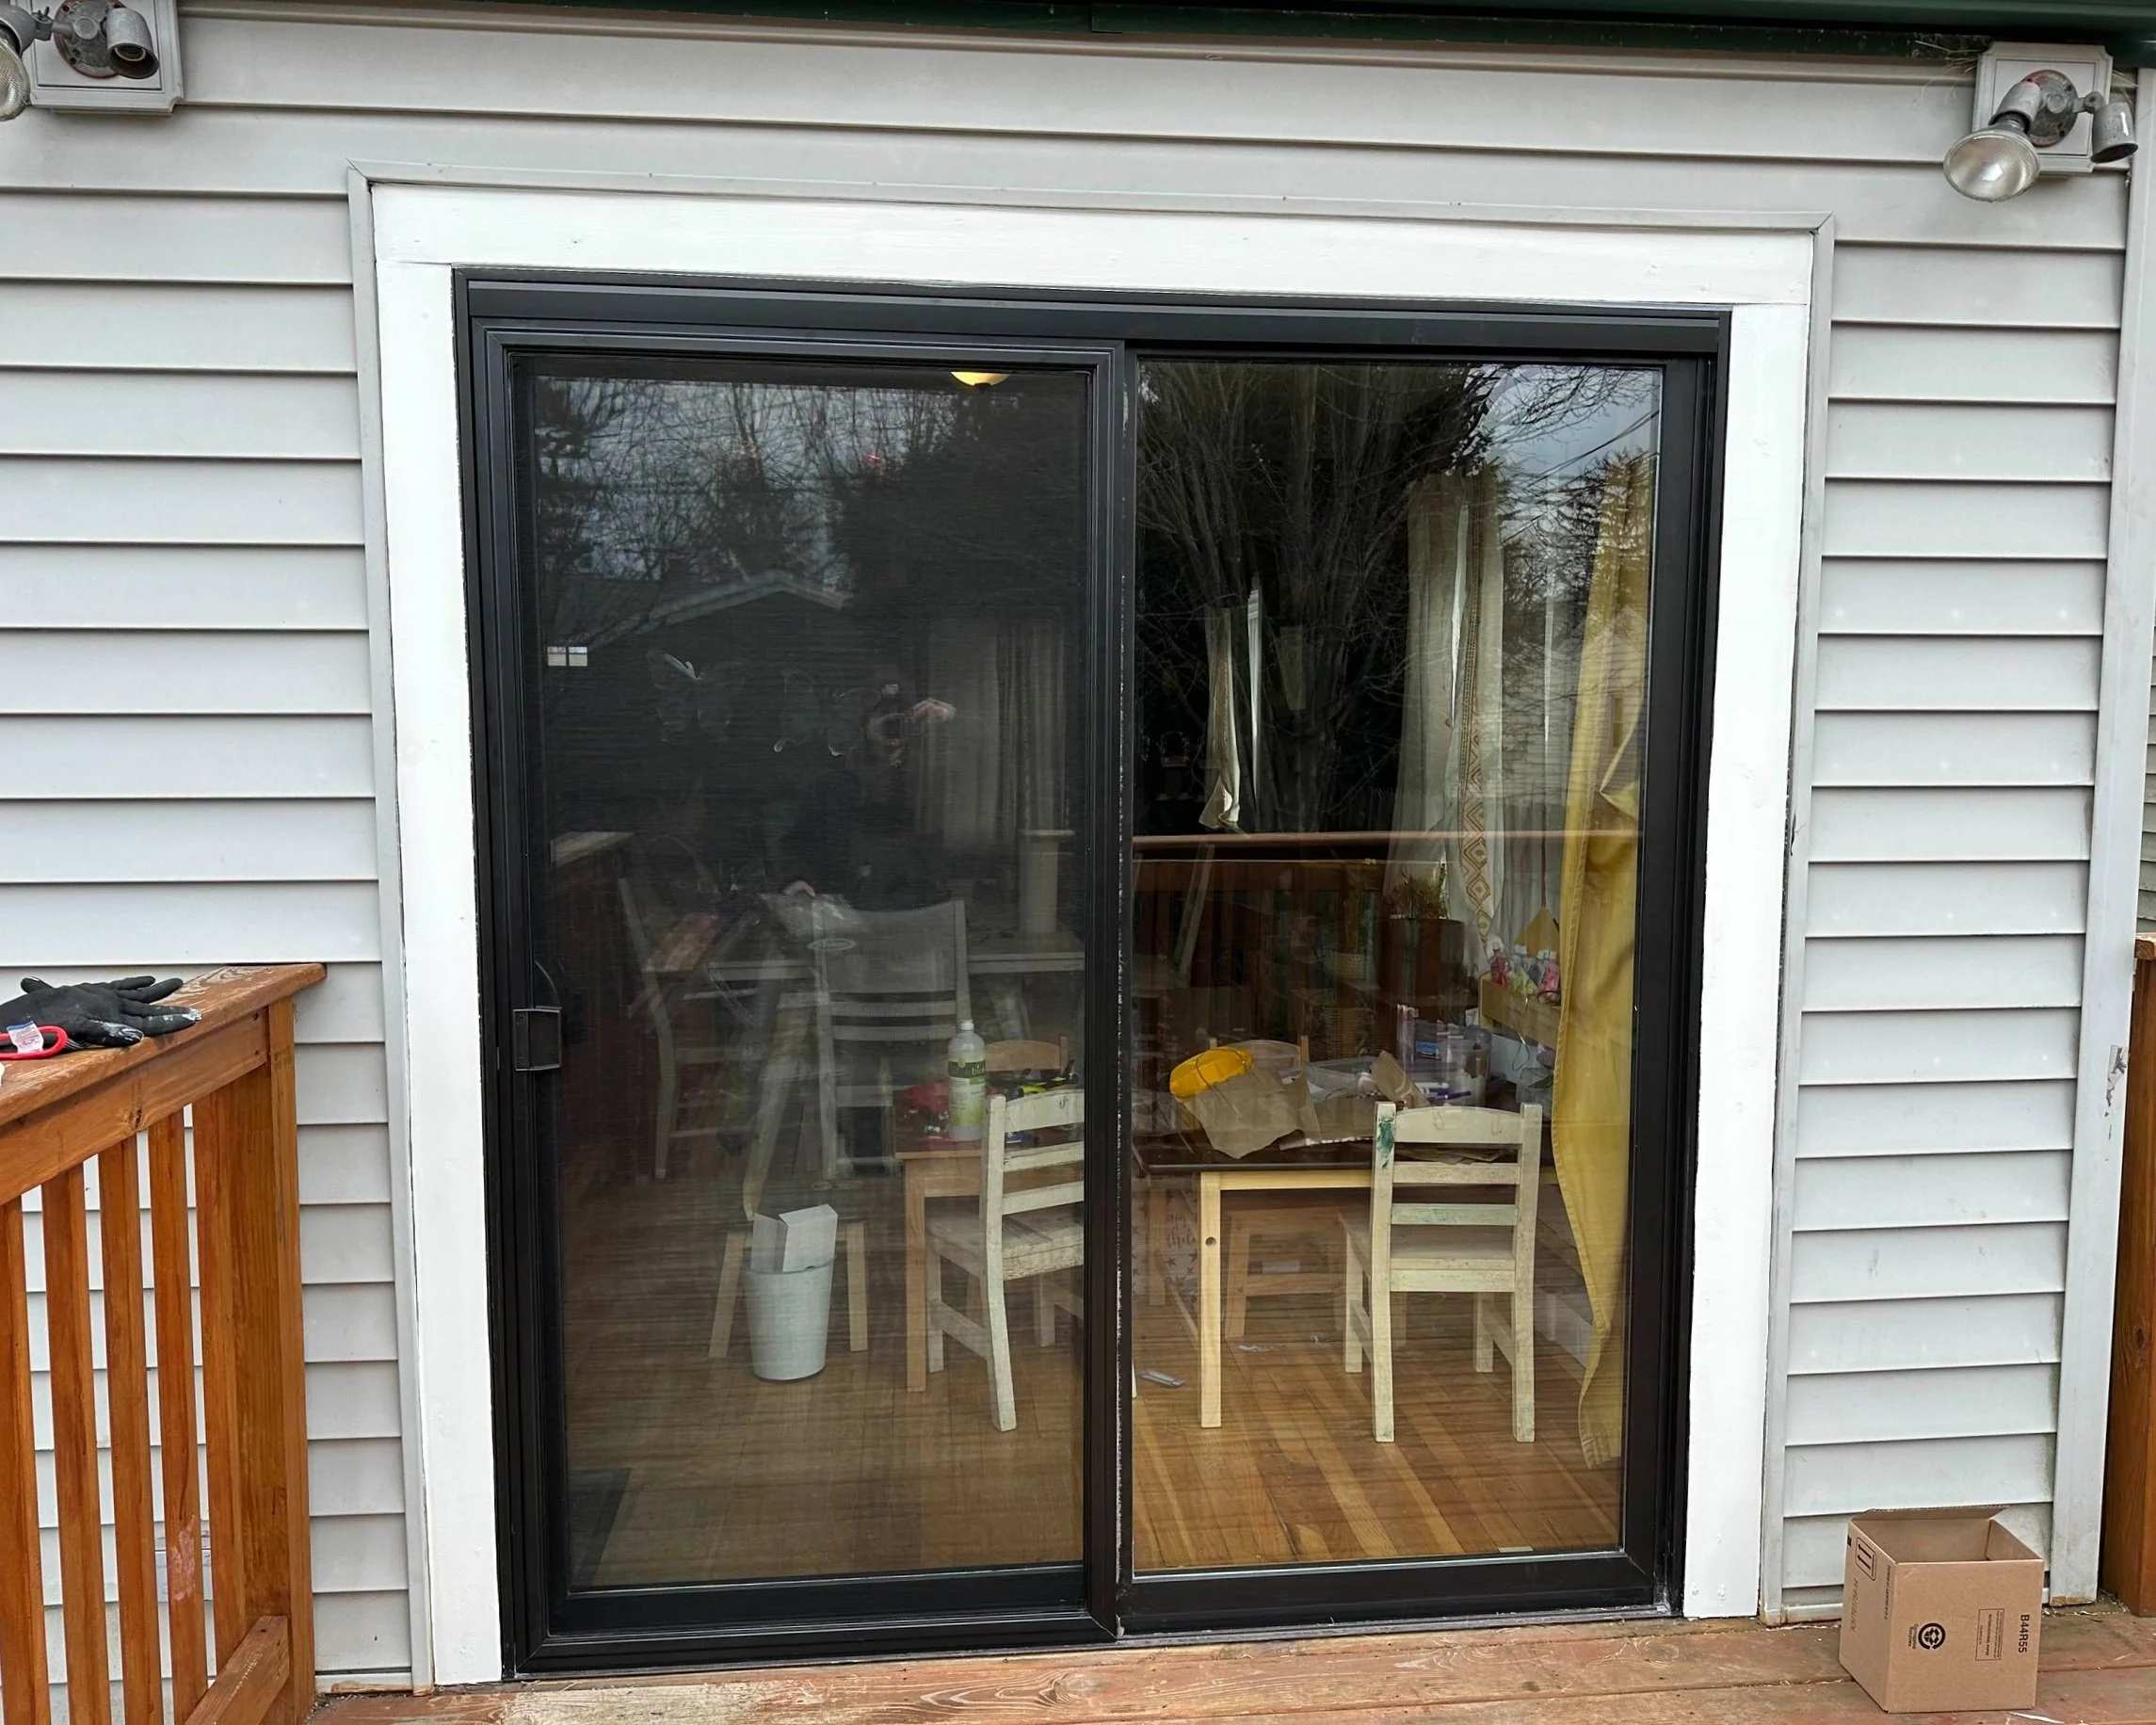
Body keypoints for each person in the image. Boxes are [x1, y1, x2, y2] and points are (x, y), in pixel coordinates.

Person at [780, 678, 956, 910]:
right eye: (883, 714)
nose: (892, 722)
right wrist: (798, 878)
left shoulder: (932, 779)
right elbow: (801, 842)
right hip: (848, 909)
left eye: (902, 715)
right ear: (863, 724)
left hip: (918, 908)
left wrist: (950, 723)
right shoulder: (833, 783)